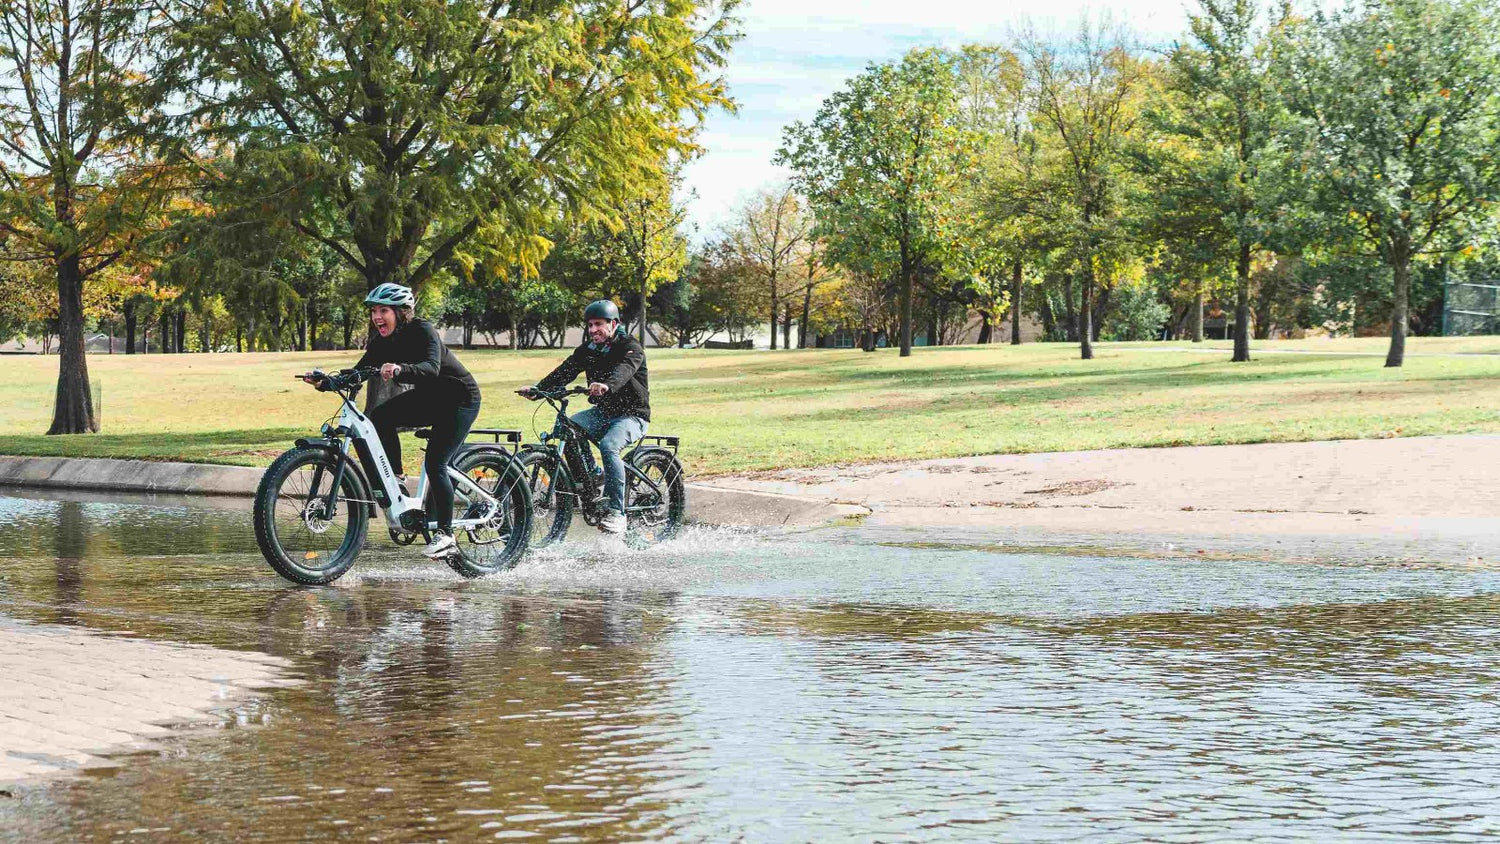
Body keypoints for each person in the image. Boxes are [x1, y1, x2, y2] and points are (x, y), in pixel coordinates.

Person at [341, 282, 482, 559]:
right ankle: (397, 478)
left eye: (383, 311)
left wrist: (399, 368)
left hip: (459, 399)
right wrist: (327, 380)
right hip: (430, 398)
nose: (377, 317)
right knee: (380, 417)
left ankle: (446, 535)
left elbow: (431, 367)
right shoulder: (383, 341)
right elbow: (360, 371)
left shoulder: (422, 330)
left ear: (401, 312)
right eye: (374, 311)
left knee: (436, 463)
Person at [518, 300, 649, 536]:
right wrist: (538, 390)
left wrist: (607, 385)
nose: (593, 330)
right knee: (568, 427)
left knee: (609, 446)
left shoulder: (631, 347)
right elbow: (565, 371)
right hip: (603, 413)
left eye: (598, 324)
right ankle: (593, 476)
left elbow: (625, 369)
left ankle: (617, 513)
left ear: (614, 324)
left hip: (632, 415)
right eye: (590, 325)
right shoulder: (588, 349)